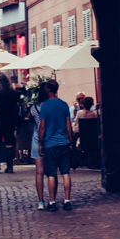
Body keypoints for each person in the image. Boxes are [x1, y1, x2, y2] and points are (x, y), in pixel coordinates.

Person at [37, 77, 74, 212]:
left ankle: (52, 202)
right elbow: (68, 125)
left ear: (48, 90)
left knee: (51, 174)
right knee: (65, 172)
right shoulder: (64, 105)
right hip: (63, 142)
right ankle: (67, 201)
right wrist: (70, 140)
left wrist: (40, 143)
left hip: (50, 144)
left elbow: (42, 126)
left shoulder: (45, 106)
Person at [0, 75, 19, 174]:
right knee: (9, 144)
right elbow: (19, 105)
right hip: (11, 121)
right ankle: (9, 166)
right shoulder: (13, 93)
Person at [29, 80, 49, 209]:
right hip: (50, 138)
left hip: (37, 138)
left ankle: (41, 201)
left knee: (39, 172)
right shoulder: (50, 107)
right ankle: (52, 199)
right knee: (51, 171)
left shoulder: (34, 108)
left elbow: (32, 119)